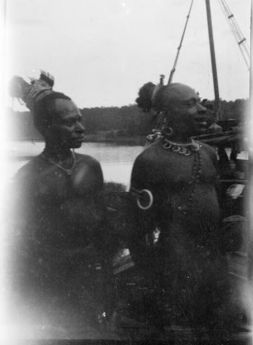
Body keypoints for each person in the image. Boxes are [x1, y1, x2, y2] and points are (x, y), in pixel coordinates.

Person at [127, 82, 246, 340]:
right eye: (190, 104)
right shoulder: (150, 161)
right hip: (175, 271)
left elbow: (220, 211)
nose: (202, 109)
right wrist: (151, 276)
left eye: (199, 101)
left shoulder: (209, 154)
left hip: (215, 269)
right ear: (167, 113)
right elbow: (136, 230)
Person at [7, 76, 117, 338]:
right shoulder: (28, 177)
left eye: (80, 119)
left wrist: (108, 278)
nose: (80, 127)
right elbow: (20, 244)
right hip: (49, 278)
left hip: (89, 272)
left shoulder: (90, 166)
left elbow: (101, 225)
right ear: (46, 127)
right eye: (70, 122)